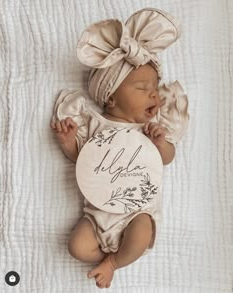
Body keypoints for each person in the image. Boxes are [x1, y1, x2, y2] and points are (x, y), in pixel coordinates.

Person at [50, 8, 189, 289]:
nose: (153, 93)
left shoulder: (149, 131)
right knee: (76, 246)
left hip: (136, 212)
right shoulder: (97, 127)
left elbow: (167, 158)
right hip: (97, 214)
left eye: (155, 87)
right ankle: (110, 256)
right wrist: (68, 143)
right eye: (142, 87)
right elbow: (85, 163)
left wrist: (161, 143)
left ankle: (113, 263)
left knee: (139, 234)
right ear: (110, 99)